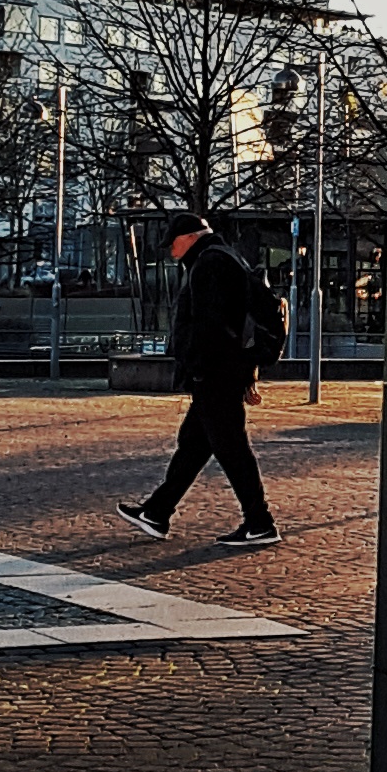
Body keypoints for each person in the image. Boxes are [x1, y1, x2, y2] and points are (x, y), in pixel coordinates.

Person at [117, 209, 281, 546]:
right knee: (194, 444)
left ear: (190, 237)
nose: (171, 250)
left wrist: (200, 368)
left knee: (231, 448)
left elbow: (212, 324)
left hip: (215, 374)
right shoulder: (224, 257)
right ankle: (157, 512)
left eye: (173, 243)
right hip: (221, 371)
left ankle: (260, 521)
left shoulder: (208, 264)